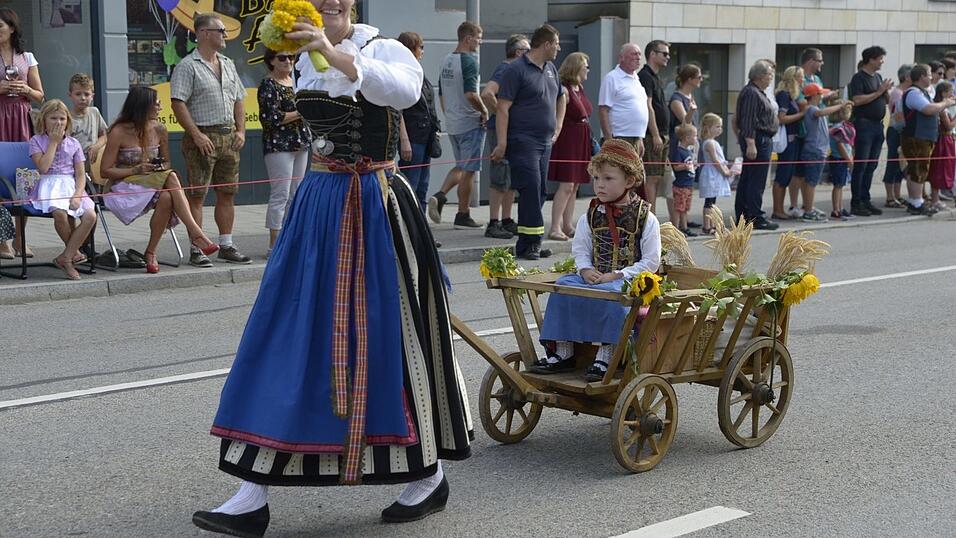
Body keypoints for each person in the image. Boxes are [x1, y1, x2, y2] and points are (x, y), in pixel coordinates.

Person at [190, 5, 472, 537]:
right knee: (286, 333)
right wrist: (316, 50)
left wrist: (330, 49)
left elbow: (403, 92)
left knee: (393, 337)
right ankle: (252, 490)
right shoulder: (301, 61)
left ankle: (428, 473)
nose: (331, 4)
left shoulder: (381, 49)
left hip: (376, 204)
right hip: (318, 203)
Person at [533, 139, 660, 382]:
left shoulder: (646, 218)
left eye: (608, 179)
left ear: (630, 181)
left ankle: (606, 354)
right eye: (597, 178)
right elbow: (580, 249)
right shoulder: (591, 215)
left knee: (612, 296)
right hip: (595, 277)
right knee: (562, 288)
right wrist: (585, 269)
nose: (600, 185)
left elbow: (651, 262)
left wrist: (618, 275)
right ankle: (563, 352)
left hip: (628, 281)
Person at [99, 86, 219, 274]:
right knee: (171, 178)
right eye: (156, 104)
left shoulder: (160, 129)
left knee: (167, 195)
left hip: (152, 182)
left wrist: (156, 167)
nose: (160, 107)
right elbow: (105, 171)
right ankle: (196, 233)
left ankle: (151, 252)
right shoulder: (118, 131)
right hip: (123, 187)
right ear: (142, 106)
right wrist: (135, 169)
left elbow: (166, 162)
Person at [170, 12, 250, 267]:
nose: (225, 35)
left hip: (228, 135)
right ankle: (198, 247)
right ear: (203, 34)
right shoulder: (187, 65)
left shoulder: (227, 63)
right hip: (202, 135)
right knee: (197, 195)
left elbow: (239, 98)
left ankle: (226, 243)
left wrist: (241, 131)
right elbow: (178, 103)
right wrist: (196, 134)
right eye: (220, 30)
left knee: (228, 192)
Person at [490, 24, 565, 260]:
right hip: (523, 140)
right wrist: (501, 143)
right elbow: (502, 108)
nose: (559, 48)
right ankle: (533, 243)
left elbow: (562, 97)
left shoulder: (551, 68)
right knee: (531, 188)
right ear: (546, 44)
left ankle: (526, 241)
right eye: (556, 44)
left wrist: (558, 126)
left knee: (540, 191)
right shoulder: (516, 70)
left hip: (545, 141)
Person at [27, 100, 95, 280]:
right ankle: (73, 255)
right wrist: (54, 143)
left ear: (68, 121)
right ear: (44, 120)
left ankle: (66, 256)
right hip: (48, 184)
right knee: (59, 213)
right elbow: (43, 168)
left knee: (90, 216)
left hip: (71, 185)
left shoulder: (74, 143)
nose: (58, 122)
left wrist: (78, 195)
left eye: (62, 119)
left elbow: (80, 174)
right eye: (53, 118)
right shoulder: (36, 141)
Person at [428, 21, 485, 229]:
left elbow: (441, 94)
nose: (480, 42)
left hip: (453, 122)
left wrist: (450, 115)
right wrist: (484, 111)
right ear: (468, 38)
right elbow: (471, 94)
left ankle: (444, 198)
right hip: (470, 121)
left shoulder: (445, 61)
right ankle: (461, 211)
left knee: (462, 165)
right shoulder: (469, 62)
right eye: (478, 37)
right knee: (469, 170)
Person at [258, 48, 312, 258]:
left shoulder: (296, 81)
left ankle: (292, 241)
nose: (288, 61)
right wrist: (300, 111)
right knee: (280, 193)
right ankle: (274, 244)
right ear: (271, 61)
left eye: (291, 57)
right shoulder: (268, 84)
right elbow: (271, 118)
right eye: (282, 58)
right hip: (279, 143)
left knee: (296, 194)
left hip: (301, 142)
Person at [0, 7, 44, 259]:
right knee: (0, 175)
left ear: (12, 28)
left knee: (25, 178)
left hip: (21, 118)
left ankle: (20, 238)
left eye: (0, 27)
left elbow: (40, 95)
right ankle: (2, 240)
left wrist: (25, 88)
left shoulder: (27, 57)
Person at [480, 33, 529, 239]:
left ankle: (507, 219)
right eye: (527, 50)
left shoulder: (515, 70)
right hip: (500, 130)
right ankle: (493, 222)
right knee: (500, 174)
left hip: (510, 130)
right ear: (518, 52)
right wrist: (500, 114)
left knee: (509, 176)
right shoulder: (506, 68)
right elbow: (487, 93)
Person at [900, 64, 956, 216]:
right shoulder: (913, 93)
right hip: (917, 138)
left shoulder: (923, 92)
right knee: (919, 169)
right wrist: (946, 103)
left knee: (918, 169)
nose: (932, 77)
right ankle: (916, 202)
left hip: (923, 137)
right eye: (930, 74)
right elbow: (928, 109)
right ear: (922, 77)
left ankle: (915, 201)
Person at [547, 51, 592, 241]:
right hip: (569, 139)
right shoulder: (564, 89)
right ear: (576, 68)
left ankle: (568, 224)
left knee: (574, 186)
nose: (588, 70)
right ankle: (555, 226)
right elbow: (559, 116)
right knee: (566, 185)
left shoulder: (578, 87)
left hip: (581, 137)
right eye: (585, 66)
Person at [397, 31, 440, 213]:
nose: (422, 51)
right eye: (420, 47)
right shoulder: (401, 73)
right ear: (411, 49)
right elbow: (398, 108)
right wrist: (404, 140)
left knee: (422, 186)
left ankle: (422, 232)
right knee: (411, 186)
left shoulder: (419, 73)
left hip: (425, 136)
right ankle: (409, 230)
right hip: (413, 137)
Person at [734, 60, 779, 230]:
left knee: (750, 178)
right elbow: (748, 120)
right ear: (760, 76)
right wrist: (750, 143)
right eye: (769, 75)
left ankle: (745, 215)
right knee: (755, 180)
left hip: (761, 139)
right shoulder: (752, 93)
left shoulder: (756, 92)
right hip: (758, 140)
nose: (770, 78)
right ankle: (755, 216)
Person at [848, 46, 892, 217]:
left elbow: (883, 98)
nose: (882, 62)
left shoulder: (878, 77)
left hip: (877, 125)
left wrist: (885, 92)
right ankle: (856, 202)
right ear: (871, 59)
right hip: (864, 125)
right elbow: (857, 100)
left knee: (872, 164)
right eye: (880, 58)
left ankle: (866, 199)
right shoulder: (859, 78)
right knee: (861, 164)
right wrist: (879, 91)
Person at [798, 83, 847, 222]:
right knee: (811, 182)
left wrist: (831, 96)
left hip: (817, 150)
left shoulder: (814, 107)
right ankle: (808, 211)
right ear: (814, 96)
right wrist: (839, 106)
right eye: (820, 94)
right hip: (814, 150)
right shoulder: (811, 109)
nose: (821, 97)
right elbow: (820, 113)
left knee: (811, 181)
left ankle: (809, 207)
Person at [598, 43, 649, 157]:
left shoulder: (636, 79)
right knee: (619, 173)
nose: (638, 57)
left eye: (639, 54)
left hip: (635, 138)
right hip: (619, 137)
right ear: (622, 57)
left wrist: (639, 138)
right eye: (634, 54)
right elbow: (603, 110)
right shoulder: (612, 78)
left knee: (633, 174)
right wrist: (609, 140)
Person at [639, 40, 672, 215]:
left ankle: (650, 217)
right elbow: (648, 105)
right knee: (651, 178)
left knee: (657, 178)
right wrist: (655, 134)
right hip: (653, 135)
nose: (668, 57)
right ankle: (648, 219)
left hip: (662, 134)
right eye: (664, 53)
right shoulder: (645, 75)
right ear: (652, 54)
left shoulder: (655, 76)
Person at [772, 66, 808, 220]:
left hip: (794, 139)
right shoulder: (784, 95)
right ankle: (777, 209)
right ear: (794, 78)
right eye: (801, 77)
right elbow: (781, 118)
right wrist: (801, 114)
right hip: (787, 140)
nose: (803, 80)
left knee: (787, 175)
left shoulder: (793, 95)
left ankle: (780, 208)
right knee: (783, 174)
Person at [882, 64, 912, 209]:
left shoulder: (906, 92)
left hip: (902, 131)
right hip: (896, 130)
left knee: (901, 164)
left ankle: (898, 195)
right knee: (893, 162)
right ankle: (889, 197)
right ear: (907, 77)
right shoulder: (898, 93)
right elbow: (899, 116)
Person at [698, 113, 732, 235]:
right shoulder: (709, 143)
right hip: (711, 173)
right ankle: (707, 226)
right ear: (708, 127)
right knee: (709, 201)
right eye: (717, 126)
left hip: (714, 173)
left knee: (712, 201)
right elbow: (715, 160)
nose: (720, 129)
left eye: (720, 126)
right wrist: (725, 171)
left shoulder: (712, 142)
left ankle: (712, 224)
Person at [926, 81, 956, 212]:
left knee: (943, 168)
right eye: (951, 91)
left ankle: (935, 198)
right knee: (939, 169)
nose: (953, 94)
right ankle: (935, 200)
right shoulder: (942, 109)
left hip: (946, 139)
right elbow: (948, 126)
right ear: (944, 93)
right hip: (943, 140)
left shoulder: (942, 107)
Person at [67, 73, 107, 166]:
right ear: (70, 95)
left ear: (92, 96)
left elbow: (105, 135)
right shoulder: (66, 118)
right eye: (78, 94)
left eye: (86, 94)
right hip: (73, 164)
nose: (83, 98)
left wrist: (97, 146)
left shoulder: (94, 112)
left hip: (94, 164)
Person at [828, 102, 856, 221]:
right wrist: (849, 160)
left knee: (842, 184)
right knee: (838, 185)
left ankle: (840, 207)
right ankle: (836, 209)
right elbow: (840, 146)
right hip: (839, 159)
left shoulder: (843, 126)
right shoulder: (838, 128)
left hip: (843, 159)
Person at [669, 124, 697, 235]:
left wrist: (693, 166)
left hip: (688, 185)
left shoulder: (688, 151)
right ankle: (675, 229)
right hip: (680, 185)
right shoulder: (679, 151)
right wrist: (685, 166)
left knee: (685, 208)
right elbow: (675, 167)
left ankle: (684, 227)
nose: (696, 138)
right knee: (678, 207)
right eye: (695, 136)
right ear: (687, 138)